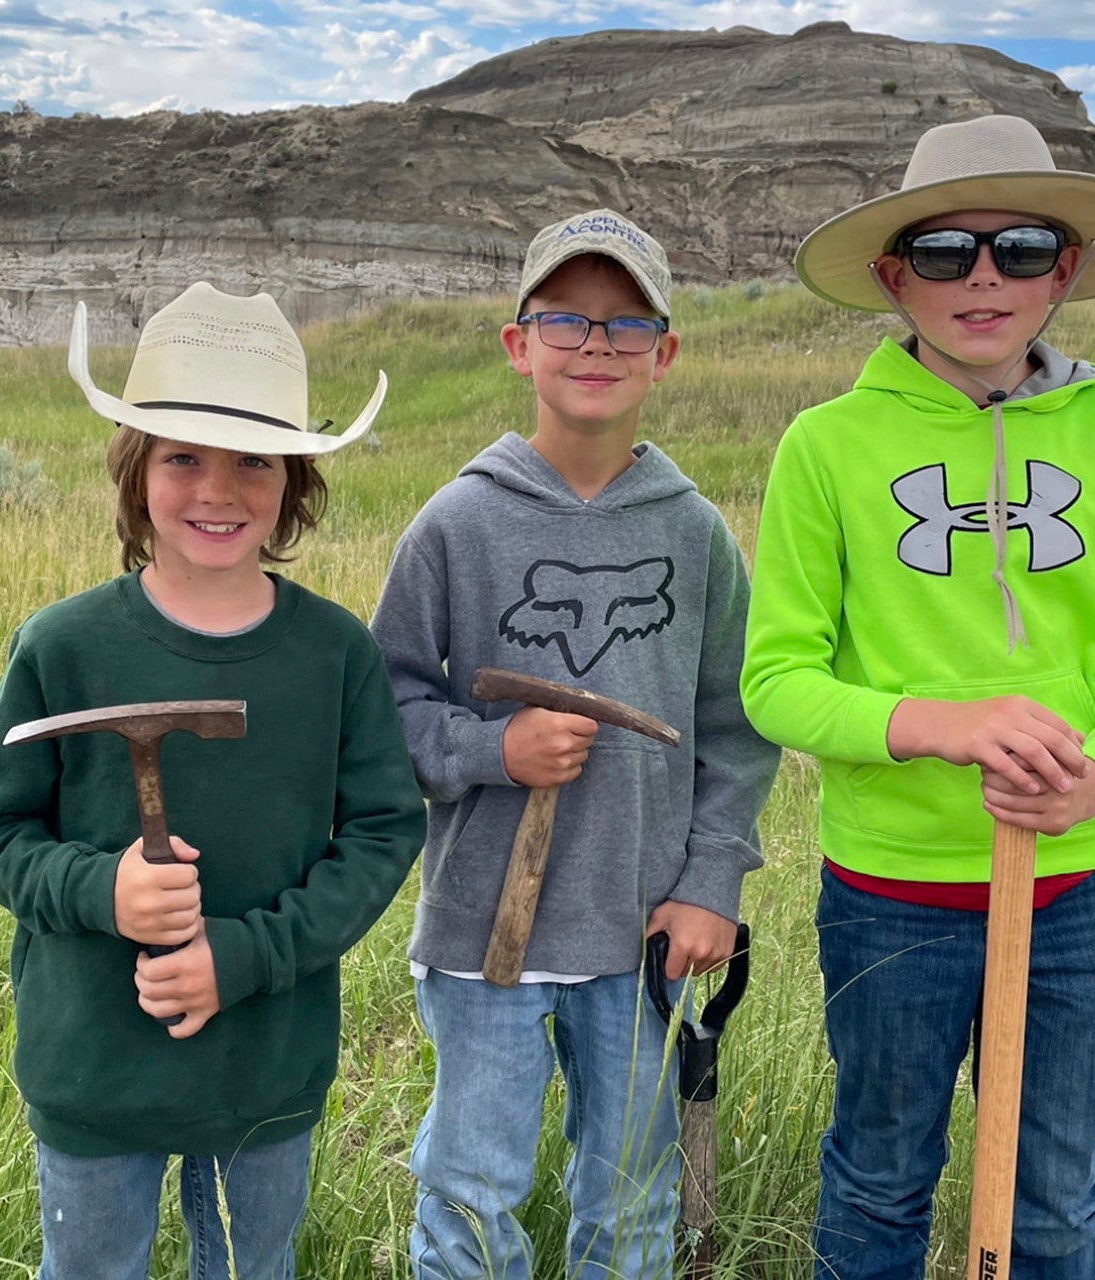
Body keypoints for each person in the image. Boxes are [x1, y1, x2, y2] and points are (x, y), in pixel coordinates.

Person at [740, 115, 1095, 1280]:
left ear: (1062, 271)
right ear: (889, 275)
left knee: (1053, 1192)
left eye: (1016, 249)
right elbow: (776, 680)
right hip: (889, 893)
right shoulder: (825, 447)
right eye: (944, 252)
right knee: (876, 1178)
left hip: (1073, 892)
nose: (980, 279)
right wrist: (935, 725)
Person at [0, 282, 426, 1280]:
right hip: (95, 1063)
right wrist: (97, 888)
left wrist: (244, 955)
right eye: (182, 456)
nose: (219, 489)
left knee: (251, 1264)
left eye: (255, 459)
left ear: (294, 478)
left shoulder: (333, 654)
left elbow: (382, 831)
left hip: (263, 1064)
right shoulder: (66, 645)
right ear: (135, 469)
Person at [370, 209, 781, 1279]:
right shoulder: (455, 525)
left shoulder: (690, 533)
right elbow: (386, 714)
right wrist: (488, 751)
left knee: (631, 1195)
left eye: (623, 322)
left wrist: (710, 881)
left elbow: (735, 728)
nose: (594, 344)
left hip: (639, 931)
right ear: (518, 343)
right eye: (565, 319)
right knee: (471, 1189)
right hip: (482, 935)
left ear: (663, 351)